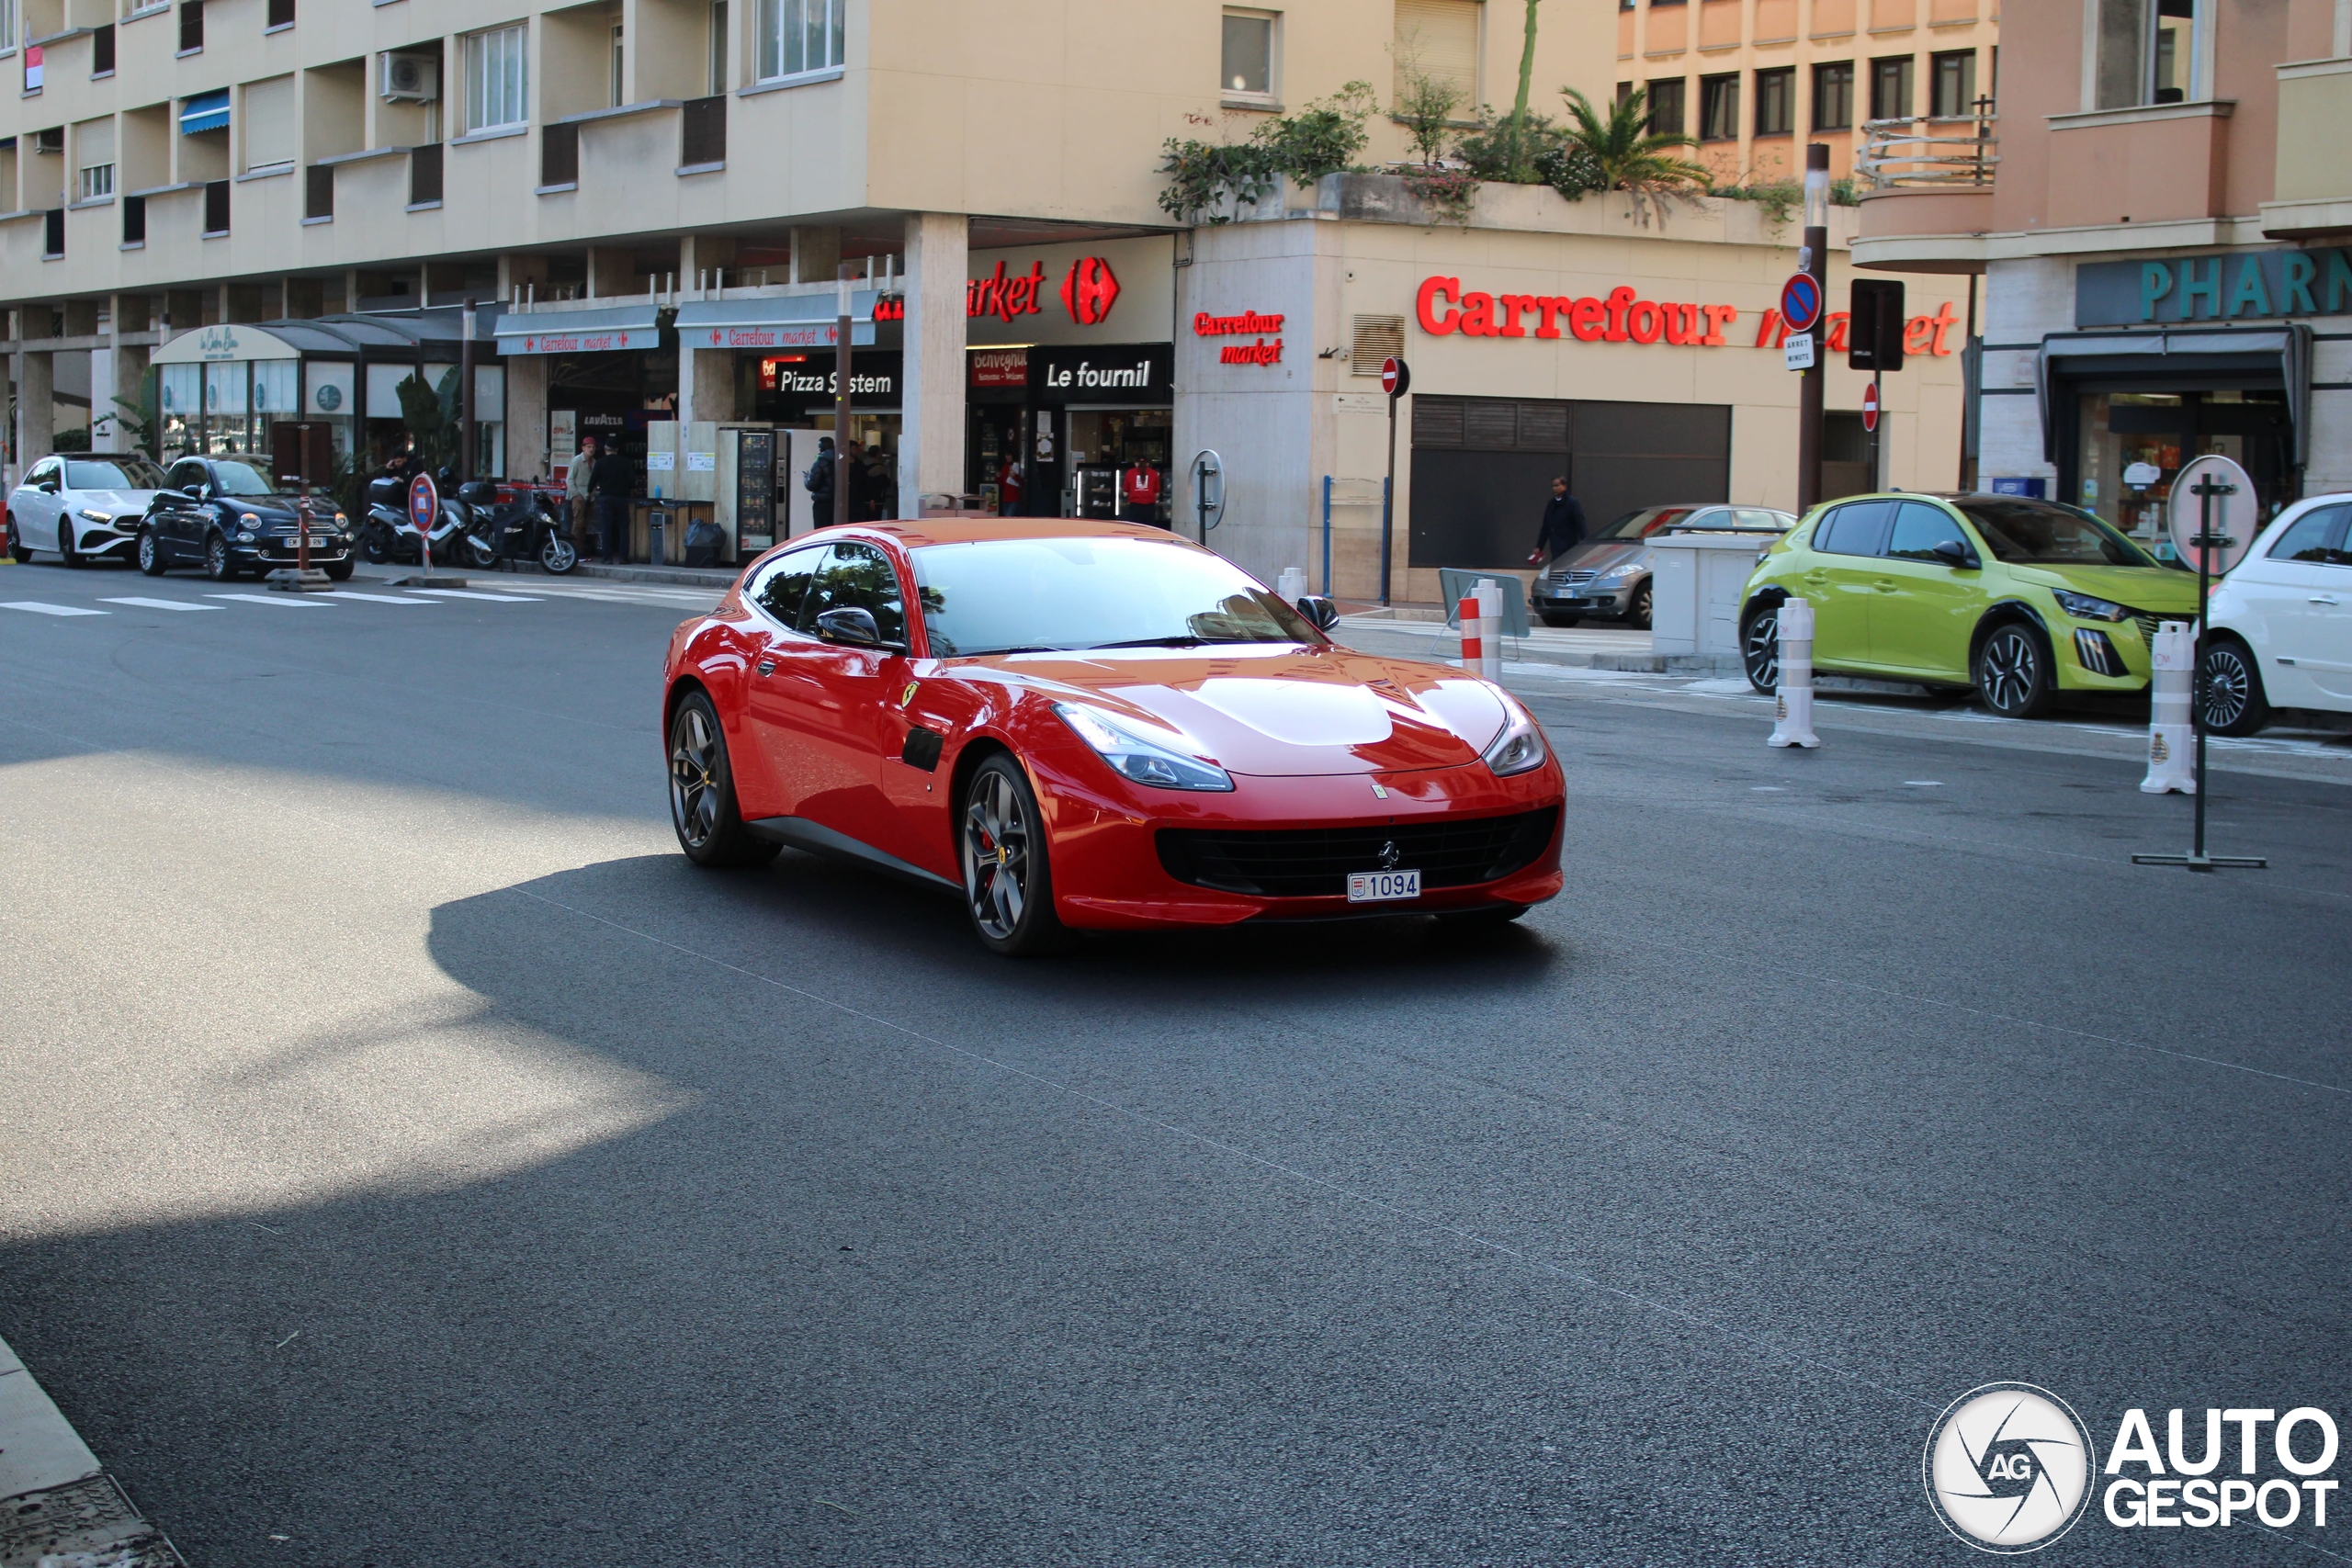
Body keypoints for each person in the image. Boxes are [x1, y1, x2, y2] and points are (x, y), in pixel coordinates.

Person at [589, 440, 635, 563]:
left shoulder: (600, 463)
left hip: (606, 498)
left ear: (605, 449)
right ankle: (623, 557)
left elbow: (593, 480)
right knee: (623, 528)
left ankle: (607, 557)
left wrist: (589, 493)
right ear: (617, 449)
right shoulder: (625, 462)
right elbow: (632, 481)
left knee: (606, 528)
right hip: (622, 498)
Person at [1527, 476, 1587, 566]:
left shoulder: (1572, 503)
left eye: (1557, 486)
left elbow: (1581, 524)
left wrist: (1585, 543)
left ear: (1564, 486)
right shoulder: (1551, 504)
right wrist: (1539, 546)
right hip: (1555, 546)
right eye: (1553, 486)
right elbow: (1545, 527)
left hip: (1569, 546)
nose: (1554, 488)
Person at [566, 435, 597, 551]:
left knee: (585, 524)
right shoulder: (577, 460)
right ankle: (574, 549)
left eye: (593, 447)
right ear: (583, 448)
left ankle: (580, 548)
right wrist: (576, 495)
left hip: (590, 496)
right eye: (589, 447)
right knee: (578, 523)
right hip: (579, 495)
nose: (591, 449)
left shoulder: (594, 462)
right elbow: (569, 479)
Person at [1119, 460, 1163, 527]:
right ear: (1148, 464)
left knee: (1135, 528)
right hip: (1149, 507)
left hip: (1135, 507)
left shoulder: (1130, 472)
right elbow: (1157, 493)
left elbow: (1125, 493)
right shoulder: (1154, 473)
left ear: (1136, 463)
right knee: (1149, 529)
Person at [805, 436, 836, 525]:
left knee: (822, 531)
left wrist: (806, 478)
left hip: (822, 502)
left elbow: (812, 484)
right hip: (838, 503)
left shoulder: (820, 461)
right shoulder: (841, 459)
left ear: (821, 447)